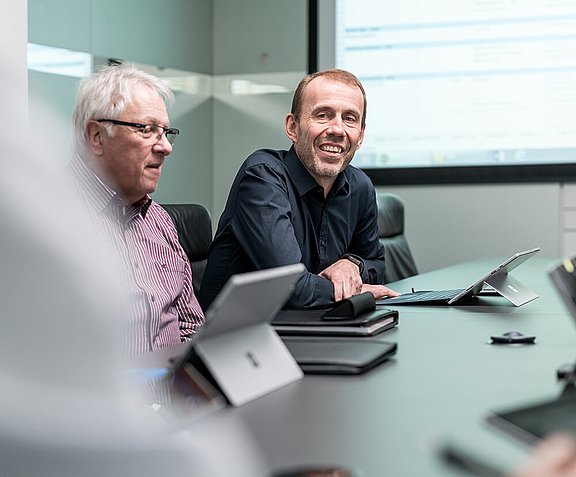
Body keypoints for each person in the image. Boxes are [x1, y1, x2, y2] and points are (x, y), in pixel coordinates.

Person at [199, 69, 399, 309]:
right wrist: (354, 291)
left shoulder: (361, 186)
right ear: (293, 127)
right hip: (238, 337)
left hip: (321, 329)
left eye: (349, 118)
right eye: (323, 115)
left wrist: (351, 263)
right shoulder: (262, 177)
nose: (337, 129)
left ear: (361, 135)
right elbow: (292, 287)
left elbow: (376, 264)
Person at [68, 62, 204, 354]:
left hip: (174, 395)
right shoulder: (45, 218)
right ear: (97, 137)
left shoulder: (159, 220)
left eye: (166, 132)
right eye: (147, 130)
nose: (166, 146)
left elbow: (190, 328)